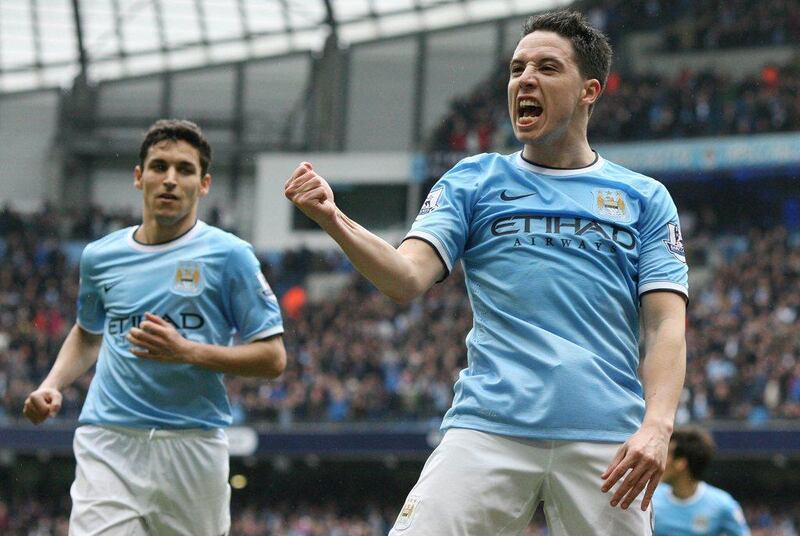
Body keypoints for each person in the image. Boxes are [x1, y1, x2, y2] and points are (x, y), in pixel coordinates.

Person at [285, 9, 687, 535]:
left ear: (590, 90)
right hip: (489, 427)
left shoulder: (645, 198)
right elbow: (404, 278)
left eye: (546, 67)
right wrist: (333, 219)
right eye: (517, 68)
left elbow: (665, 326)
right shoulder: (474, 179)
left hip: (607, 438)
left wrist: (657, 426)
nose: (525, 79)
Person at [23, 119, 287, 535]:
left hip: (192, 443)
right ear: (138, 176)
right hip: (108, 438)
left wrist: (187, 351)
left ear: (203, 184)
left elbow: (273, 358)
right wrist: (52, 384)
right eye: (159, 166)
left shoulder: (230, 255)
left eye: (184, 170)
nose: (169, 179)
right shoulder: (100, 256)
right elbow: (88, 333)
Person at [653, 427, 750, 535]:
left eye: (668, 454)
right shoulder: (650, 500)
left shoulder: (723, 505)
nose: (660, 460)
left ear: (681, 463)